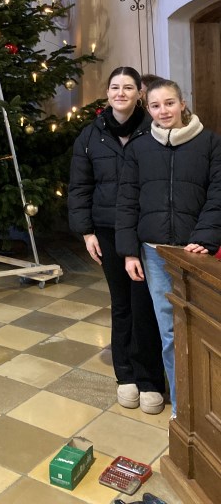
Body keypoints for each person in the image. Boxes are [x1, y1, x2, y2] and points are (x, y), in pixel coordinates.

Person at [116, 79, 221, 418]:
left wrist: (204, 238)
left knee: (204, 328)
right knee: (170, 332)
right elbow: (127, 201)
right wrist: (130, 252)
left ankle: (210, 404)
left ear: (182, 103)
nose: (164, 111)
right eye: (157, 106)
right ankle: (184, 407)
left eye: (170, 103)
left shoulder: (210, 143)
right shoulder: (139, 148)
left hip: (196, 251)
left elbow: (218, 194)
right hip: (155, 252)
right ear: (149, 109)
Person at [68, 66, 166, 414]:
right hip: (107, 231)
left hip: (148, 231)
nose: (120, 93)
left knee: (147, 306)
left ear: (140, 93)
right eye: (115, 87)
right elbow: (80, 188)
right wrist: (87, 232)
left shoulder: (154, 128)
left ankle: (149, 379)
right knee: (122, 303)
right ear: (107, 93)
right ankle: (124, 375)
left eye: (128, 87)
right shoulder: (91, 136)